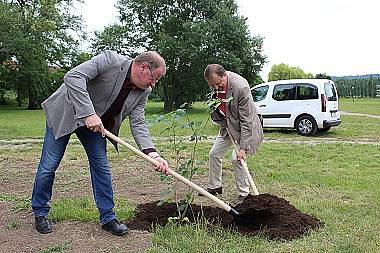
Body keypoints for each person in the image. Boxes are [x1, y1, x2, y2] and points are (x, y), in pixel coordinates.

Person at [31, 50, 170, 236]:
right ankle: (40, 212)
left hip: (96, 127)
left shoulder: (144, 91)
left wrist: (152, 153)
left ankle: (108, 218)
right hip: (66, 112)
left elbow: (138, 122)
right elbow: (73, 76)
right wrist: (88, 113)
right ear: (143, 67)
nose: (154, 84)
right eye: (155, 78)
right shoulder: (110, 60)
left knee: (101, 168)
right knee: (49, 165)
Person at [201, 64, 263, 204]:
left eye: (218, 84)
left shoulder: (240, 88)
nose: (216, 88)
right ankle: (215, 187)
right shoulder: (215, 82)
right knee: (214, 154)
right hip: (227, 126)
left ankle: (244, 194)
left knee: (237, 158)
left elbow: (246, 120)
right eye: (212, 85)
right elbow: (216, 106)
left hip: (244, 128)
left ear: (224, 75)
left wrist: (243, 148)